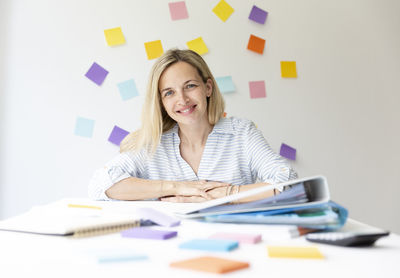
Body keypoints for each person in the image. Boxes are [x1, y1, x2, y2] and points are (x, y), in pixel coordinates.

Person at [88, 48, 297, 202]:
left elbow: (289, 183)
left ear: (207, 88)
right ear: (161, 101)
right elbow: (101, 184)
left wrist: (225, 194)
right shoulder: (153, 144)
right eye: (169, 92)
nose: (182, 99)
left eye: (190, 86)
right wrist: (178, 188)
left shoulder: (242, 133)